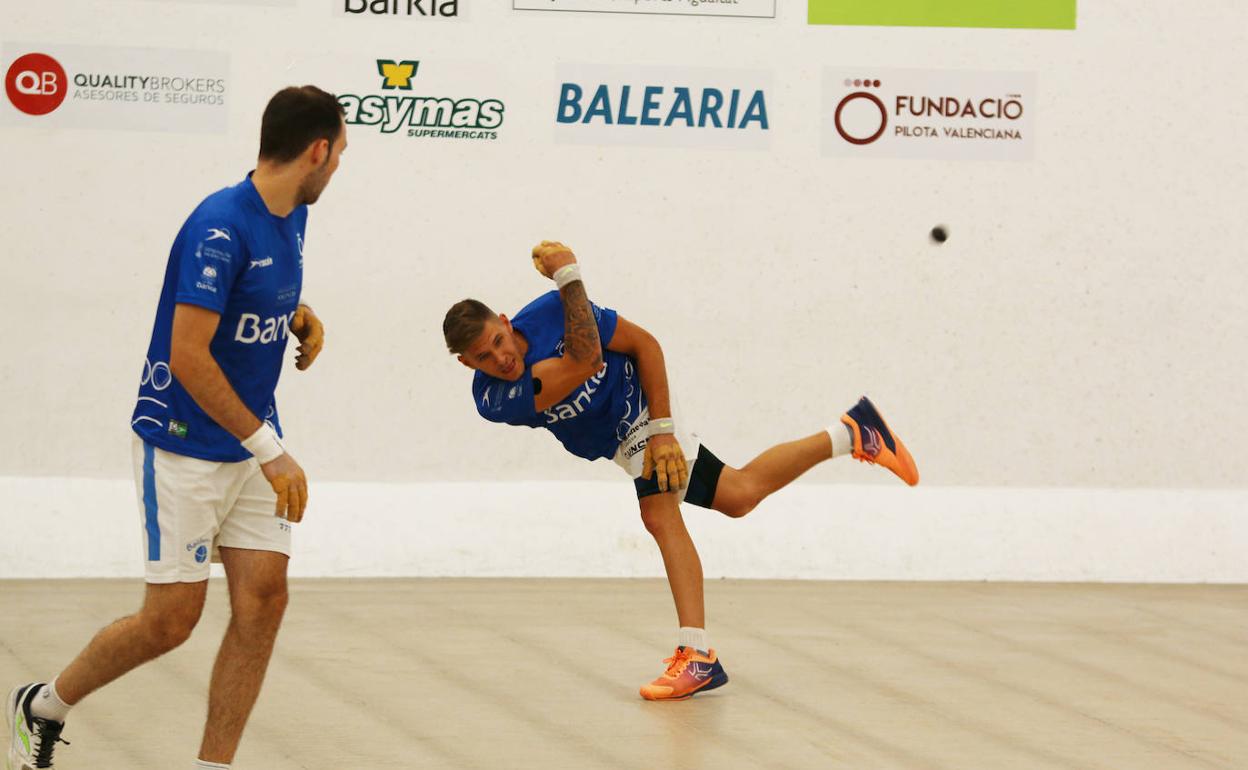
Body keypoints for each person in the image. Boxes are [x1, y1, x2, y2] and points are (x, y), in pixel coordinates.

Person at [7, 85, 347, 770]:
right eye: (339, 153)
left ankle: (211, 766)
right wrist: (272, 452)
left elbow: (252, 294)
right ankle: (44, 704)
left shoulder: (292, 216)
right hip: (184, 444)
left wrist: (295, 316)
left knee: (264, 600)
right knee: (171, 622)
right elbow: (187, 356)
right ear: (316, 150)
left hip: (252, 442)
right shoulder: (217, 226)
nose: (339, 166)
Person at [442, 241, 919, 702]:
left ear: (505, 322)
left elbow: (645, 345)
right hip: (618, 439)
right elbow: (584, 362)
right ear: (466, 364)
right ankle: (853, 433)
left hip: (645, 407)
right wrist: (568, 273)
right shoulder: (494, 399)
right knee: (739, 495)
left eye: (499, 341)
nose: (501, 359)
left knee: (659, 515)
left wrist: (664, 430)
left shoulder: (550, 310)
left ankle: (697, 654)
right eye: (483, 357)